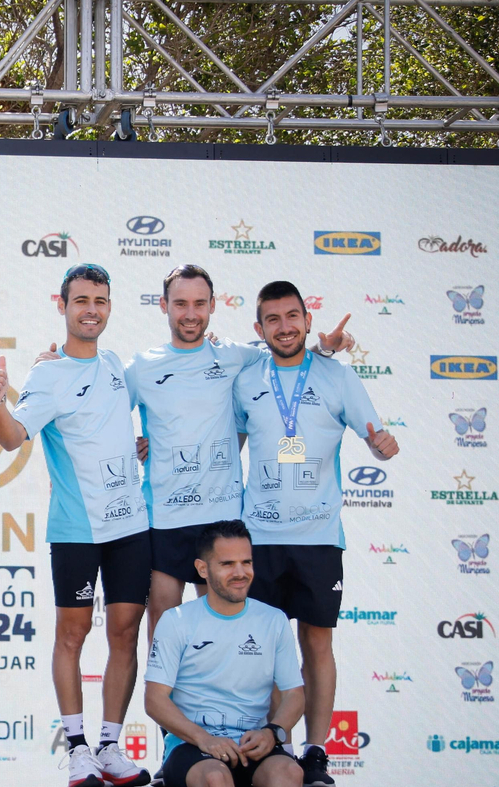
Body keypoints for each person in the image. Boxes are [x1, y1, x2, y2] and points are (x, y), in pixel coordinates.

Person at [0, 263, 150, 787]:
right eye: (81, 300)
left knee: (125, 634)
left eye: (100, 300)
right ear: (62, 305)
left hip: (131, 527)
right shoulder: (48, 374)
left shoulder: (118, 365)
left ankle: (110, 744)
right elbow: (12, 439)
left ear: (109, 306)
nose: (91, 309)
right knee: (73, 636)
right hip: (77, 530)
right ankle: (77, 749)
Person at [123, 265, 350, 643]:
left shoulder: (236, 356)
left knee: (221, 627)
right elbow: (102, 409)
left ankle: (213, 702)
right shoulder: (143, 367)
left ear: (213, 305)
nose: (191, 313)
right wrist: (127, 446)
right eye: (180, 304)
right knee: (163, 618)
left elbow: (289, 355)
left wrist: (325, 347)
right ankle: (164, 701)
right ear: (164, 306)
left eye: (199, 303)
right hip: (165, 513)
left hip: (224, 515)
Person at [233, 281, 397, 787]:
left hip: (319, 537)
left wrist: (383, 445)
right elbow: (227, 445)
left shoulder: (337, 376)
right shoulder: (245, 379)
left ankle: (316, 751)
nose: (285, 326)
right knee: (260, 649)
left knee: (317, 643)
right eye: (273, 319)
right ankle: (260, 748)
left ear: (307, 319)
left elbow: (375, 437)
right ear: (259, 330)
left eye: (292, 316)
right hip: (258, 536)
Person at [144, 520, 306, 787]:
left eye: (247, 562)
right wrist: (203, 739)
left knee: (290, 775)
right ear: (202, 569)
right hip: (193, 747)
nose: (241, 572)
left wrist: (275, 731)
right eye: (228, 563)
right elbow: (155, 701)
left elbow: (294, 696)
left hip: (254, 742)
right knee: (216, 779)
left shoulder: (272, 621)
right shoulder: (177, 620)